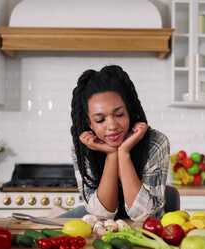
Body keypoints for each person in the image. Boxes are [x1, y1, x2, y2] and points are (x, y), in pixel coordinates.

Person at [58, 65, 170, 221]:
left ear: (129, 111)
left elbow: (144, 216)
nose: (112, 126)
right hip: (101, 231)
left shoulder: (156, 142)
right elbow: (101, 215)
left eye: (119, 114)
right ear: (89, 123)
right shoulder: (84, 146)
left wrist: (123, 153)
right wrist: (112, 154)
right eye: (100, 119)